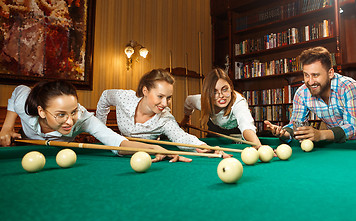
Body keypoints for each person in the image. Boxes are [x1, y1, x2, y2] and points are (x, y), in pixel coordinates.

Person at [0, 80, 177, 161]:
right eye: (61, 115)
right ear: (42, 111)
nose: (70, 122)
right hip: (27, 144)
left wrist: (154, 148)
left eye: (74, 111)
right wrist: (7, 127)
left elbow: (117, 143)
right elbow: (18, 91)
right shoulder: (26, 104)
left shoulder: (83, 118)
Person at [96, 69, 231, 161]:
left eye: (169, 97)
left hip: (149, 156)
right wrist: (101, 131)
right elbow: (105, 97)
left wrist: (208, 149)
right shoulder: (124, 98)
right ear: (145, 91)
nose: (165, 103)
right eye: (160, 96)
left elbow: (182, 137)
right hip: (121, 150)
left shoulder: (165, 119)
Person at [265, 46, 356, 142]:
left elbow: (353, 127)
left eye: (315, 75)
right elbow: (296, 124)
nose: (310, 82)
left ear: (330, 73)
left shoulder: (349, 87)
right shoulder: (301, 93)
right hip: (337, 143)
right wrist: (284, 133)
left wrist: (320, 134)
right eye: (306, 75)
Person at [181, 68, 262, 147]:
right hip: (215, 134)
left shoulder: (238, 102)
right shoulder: (202, 101)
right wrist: (186, 118)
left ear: (230, 88)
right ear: (208, 93)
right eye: (214, 92)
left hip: (237, 134)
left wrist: (257, 146)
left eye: (225, 89)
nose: (221, 96)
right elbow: (188, 102)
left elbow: (247, 126)